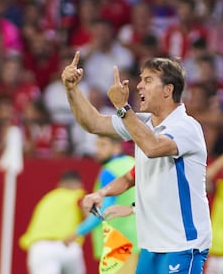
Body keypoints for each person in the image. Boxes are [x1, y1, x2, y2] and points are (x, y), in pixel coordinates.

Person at [61, 52, 212, 273]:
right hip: (151, 247)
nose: (139, 86)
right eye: (140, 79)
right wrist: (72, 89)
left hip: (183, 245)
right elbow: (93, 123)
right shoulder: (141, 123)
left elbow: (152, 147)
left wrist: (123, 108)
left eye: (148, 80)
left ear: (168, 90)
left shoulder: (186, 128)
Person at [64, 136, 137, 273]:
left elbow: (103, 209)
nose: (97, 150)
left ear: (116, 148)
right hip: (139, 240)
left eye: (103, 145)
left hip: (117, 243)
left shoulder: (110, 169)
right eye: (97, 145)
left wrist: (77, 232)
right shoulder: (133, 163)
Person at [19, 170, 87, 274]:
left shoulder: (47, 198)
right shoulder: (78, 194)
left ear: (59, 184)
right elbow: (90, 214)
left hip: (41, 247)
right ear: (79, 184)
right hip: (69, 245)